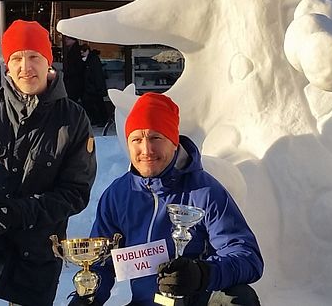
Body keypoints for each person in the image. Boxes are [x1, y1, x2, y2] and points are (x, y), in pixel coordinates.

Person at [0, 20, 97, 306]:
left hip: (39, 240)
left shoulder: (73, 119)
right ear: (7, 65)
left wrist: (12, 213)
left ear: (48, 61)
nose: (26, 67)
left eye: (34, 56)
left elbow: (75, 193)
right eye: (17, 58)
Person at [69, 93, 263, 306]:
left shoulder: (205, 192)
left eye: (155, 138)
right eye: (136, 139)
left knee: (240, 298)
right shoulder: (118, 194)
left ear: (173, 142)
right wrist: (87, 296)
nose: (146, 150)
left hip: (195, 301)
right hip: (144, 303)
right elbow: (100, 262)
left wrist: (202, 274)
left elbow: (247, 257)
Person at [80, 45, 108, 126]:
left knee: (97, 104)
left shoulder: (92, 60)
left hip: (93, 86)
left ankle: (101, 120)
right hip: (94, 86)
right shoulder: (92, 59)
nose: (82, 53)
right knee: (97, 103)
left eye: (83, 51)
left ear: (87, 51)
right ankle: (100, 120)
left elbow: (95, 74)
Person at [62, 35, 85, 103]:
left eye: (67, 39)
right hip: (74, 79)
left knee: (72, 98)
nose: (65, 41)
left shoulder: (75, 51)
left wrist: (68, 74)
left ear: (72, 40)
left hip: (74, 79)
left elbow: (76, 66)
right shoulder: (73, 49)